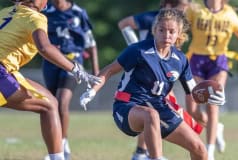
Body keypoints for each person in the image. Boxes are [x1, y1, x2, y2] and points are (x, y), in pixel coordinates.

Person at [80, 8, 225, 160]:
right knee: (151, 115)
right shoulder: (139, 50)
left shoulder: (181, 60)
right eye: (162, 30)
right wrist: (92, 90)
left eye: (171, 31)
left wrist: (211, 96)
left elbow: (194, 91)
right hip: (127, 106)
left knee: (200, 149)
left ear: (179, 34)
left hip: (159, 108)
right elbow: (109, 70)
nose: (166, 35)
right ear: (154, 30)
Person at [0, 0, 101, 160]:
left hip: (7, 71)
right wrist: (74, 69)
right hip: (2, 73)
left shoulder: (6, 12)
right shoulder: (36, 17)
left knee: (52, 102)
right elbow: (44, 48)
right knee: (49, 106)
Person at [118, 1, 191, 159]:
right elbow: (123, 24)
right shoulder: (151, 17)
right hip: (146, 72)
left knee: (161, 110)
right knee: (150, 110)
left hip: (165, 71)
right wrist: (134, 45)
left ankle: (143, 152)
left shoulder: (179, 23)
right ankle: (144, 152)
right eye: (182, 6)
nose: (185, 10)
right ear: (168, 5)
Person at [42, 0, 99, 159]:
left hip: (74, 63)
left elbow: (91, 45)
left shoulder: (78, 12)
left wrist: (96, 73)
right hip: (51, 64)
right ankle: (59, 146)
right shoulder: (45, 11)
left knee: (62, 102)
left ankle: (61, 143)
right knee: (51, 104)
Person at [185, 0, 238, 160]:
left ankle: (209, 152)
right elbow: (180, 29)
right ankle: (216, 128)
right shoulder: (195, 9)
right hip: (196, 60)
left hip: (218, 61)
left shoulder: (229, 13)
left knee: (212, 105)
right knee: (192, 110)